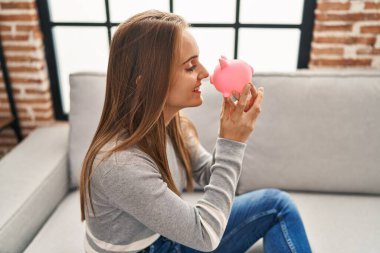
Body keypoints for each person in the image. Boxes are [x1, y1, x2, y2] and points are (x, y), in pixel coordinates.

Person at [79, 9, 312, 253]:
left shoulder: (173, 126)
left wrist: (230, 137)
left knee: (276, 205)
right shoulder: (120, 164)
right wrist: (233, 144)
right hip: (148, 248)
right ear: (146, 83)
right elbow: (205, 235)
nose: (205, 73)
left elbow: (208, 175)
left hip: (163, 236)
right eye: (190, 67)